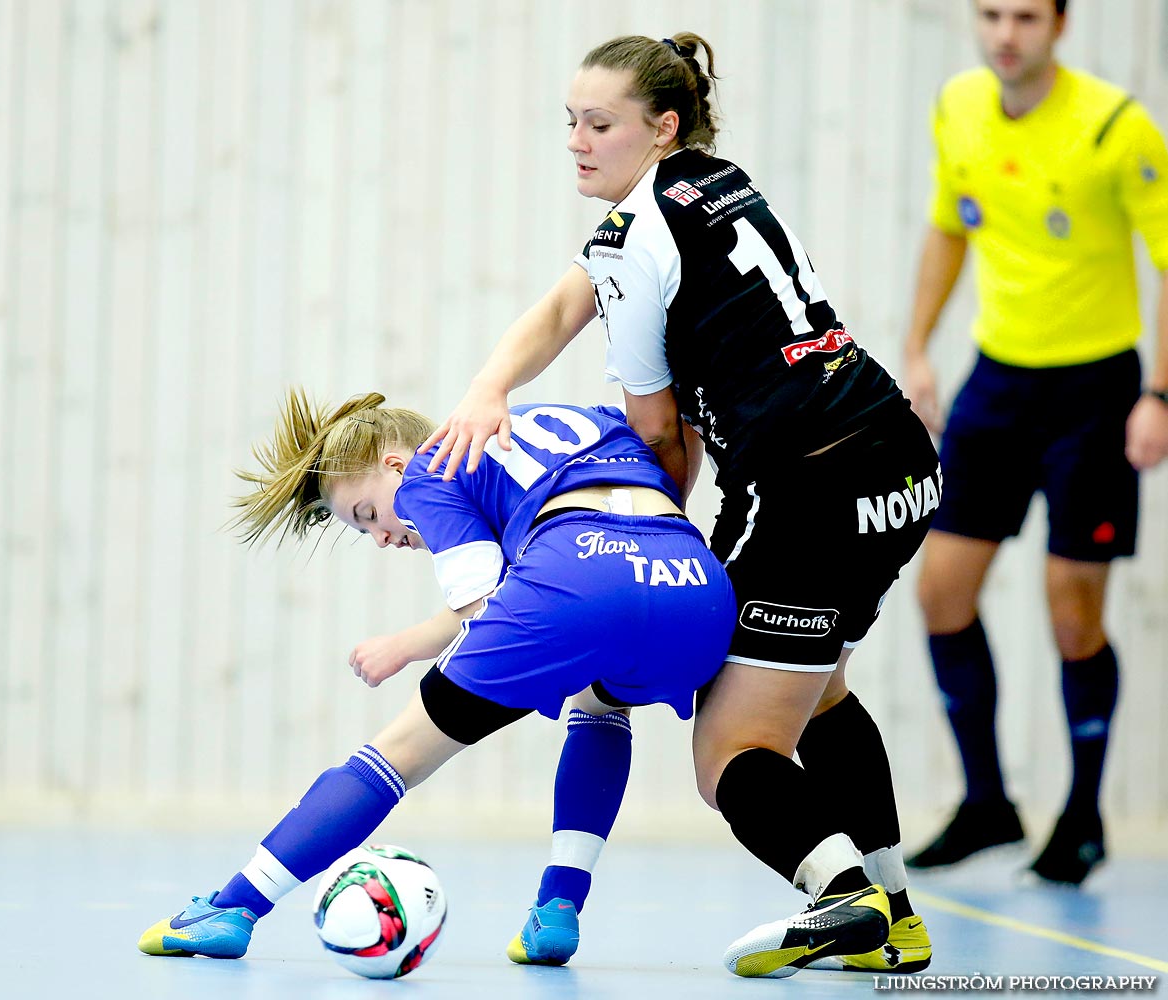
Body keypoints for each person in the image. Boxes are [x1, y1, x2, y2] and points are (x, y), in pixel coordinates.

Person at [421, 33, 940, 978]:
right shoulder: (709, 179)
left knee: (730, 748)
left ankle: (841, 896)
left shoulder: (632, 240)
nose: (576, 141)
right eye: (569, 121)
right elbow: (561, 304)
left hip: (807, 483)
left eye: (599, 124)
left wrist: (635, 551)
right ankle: (897, 916)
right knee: (817, 689)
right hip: (899, 461)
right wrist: (486, 388)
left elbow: (661, 439)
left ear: (660, 127)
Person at [137, 389, 736, 961]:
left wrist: (404, 646)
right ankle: (557, 908)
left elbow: (488, 607)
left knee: (395, 756)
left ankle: (232, 909)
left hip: (577, 575)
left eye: (370, 513)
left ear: (396, 464)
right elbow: (674, 433)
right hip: (699, 593)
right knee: (601, 706)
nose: (380, 537)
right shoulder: (587, 420)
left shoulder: (430, 468)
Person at [901, 0, 1168, 886]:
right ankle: (986, 804)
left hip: (1096, 390)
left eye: (1023, 16)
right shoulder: (958, 106)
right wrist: (915, 349)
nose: (1004, 33)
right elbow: (950, 225)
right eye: (989, 14)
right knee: (939, 593)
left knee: (1069, 610)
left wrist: (1157, 394)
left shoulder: (1114, 128)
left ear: (1058, 24)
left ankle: (1083, 817)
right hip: (998, 382)